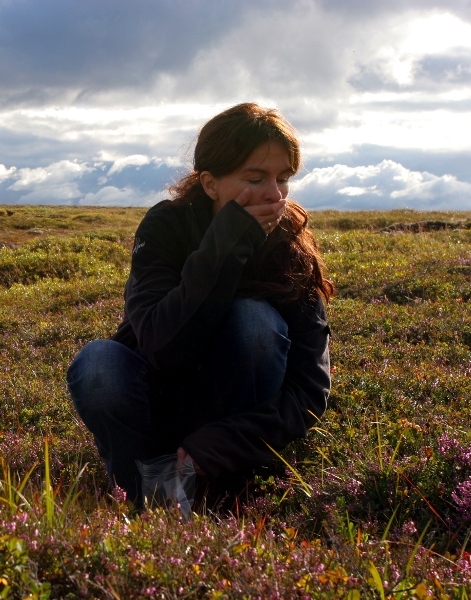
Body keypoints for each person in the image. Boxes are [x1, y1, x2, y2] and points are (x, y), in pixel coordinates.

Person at [67, 103, 334, 510]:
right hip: (160, 405)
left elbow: (309, 393)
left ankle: (227, 485)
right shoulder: (167, 227)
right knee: (98, 364)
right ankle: (149, 490)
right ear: (210, 184)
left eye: (283, 179)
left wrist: (214, 447)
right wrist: (225, 244)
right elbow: (160, 345)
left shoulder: (290, 247)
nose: (275, 194)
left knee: (254, 323)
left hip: (233, 433)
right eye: (255, 178)